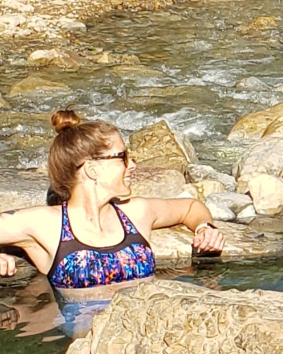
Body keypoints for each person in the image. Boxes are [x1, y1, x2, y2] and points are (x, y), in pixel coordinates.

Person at [0, 110, 225, 292]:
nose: (133, 165)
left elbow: (190, 207)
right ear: (92, 169)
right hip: (91, 343)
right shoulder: (46, 223)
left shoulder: (136, 212)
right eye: (123, 157)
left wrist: (205, 228)